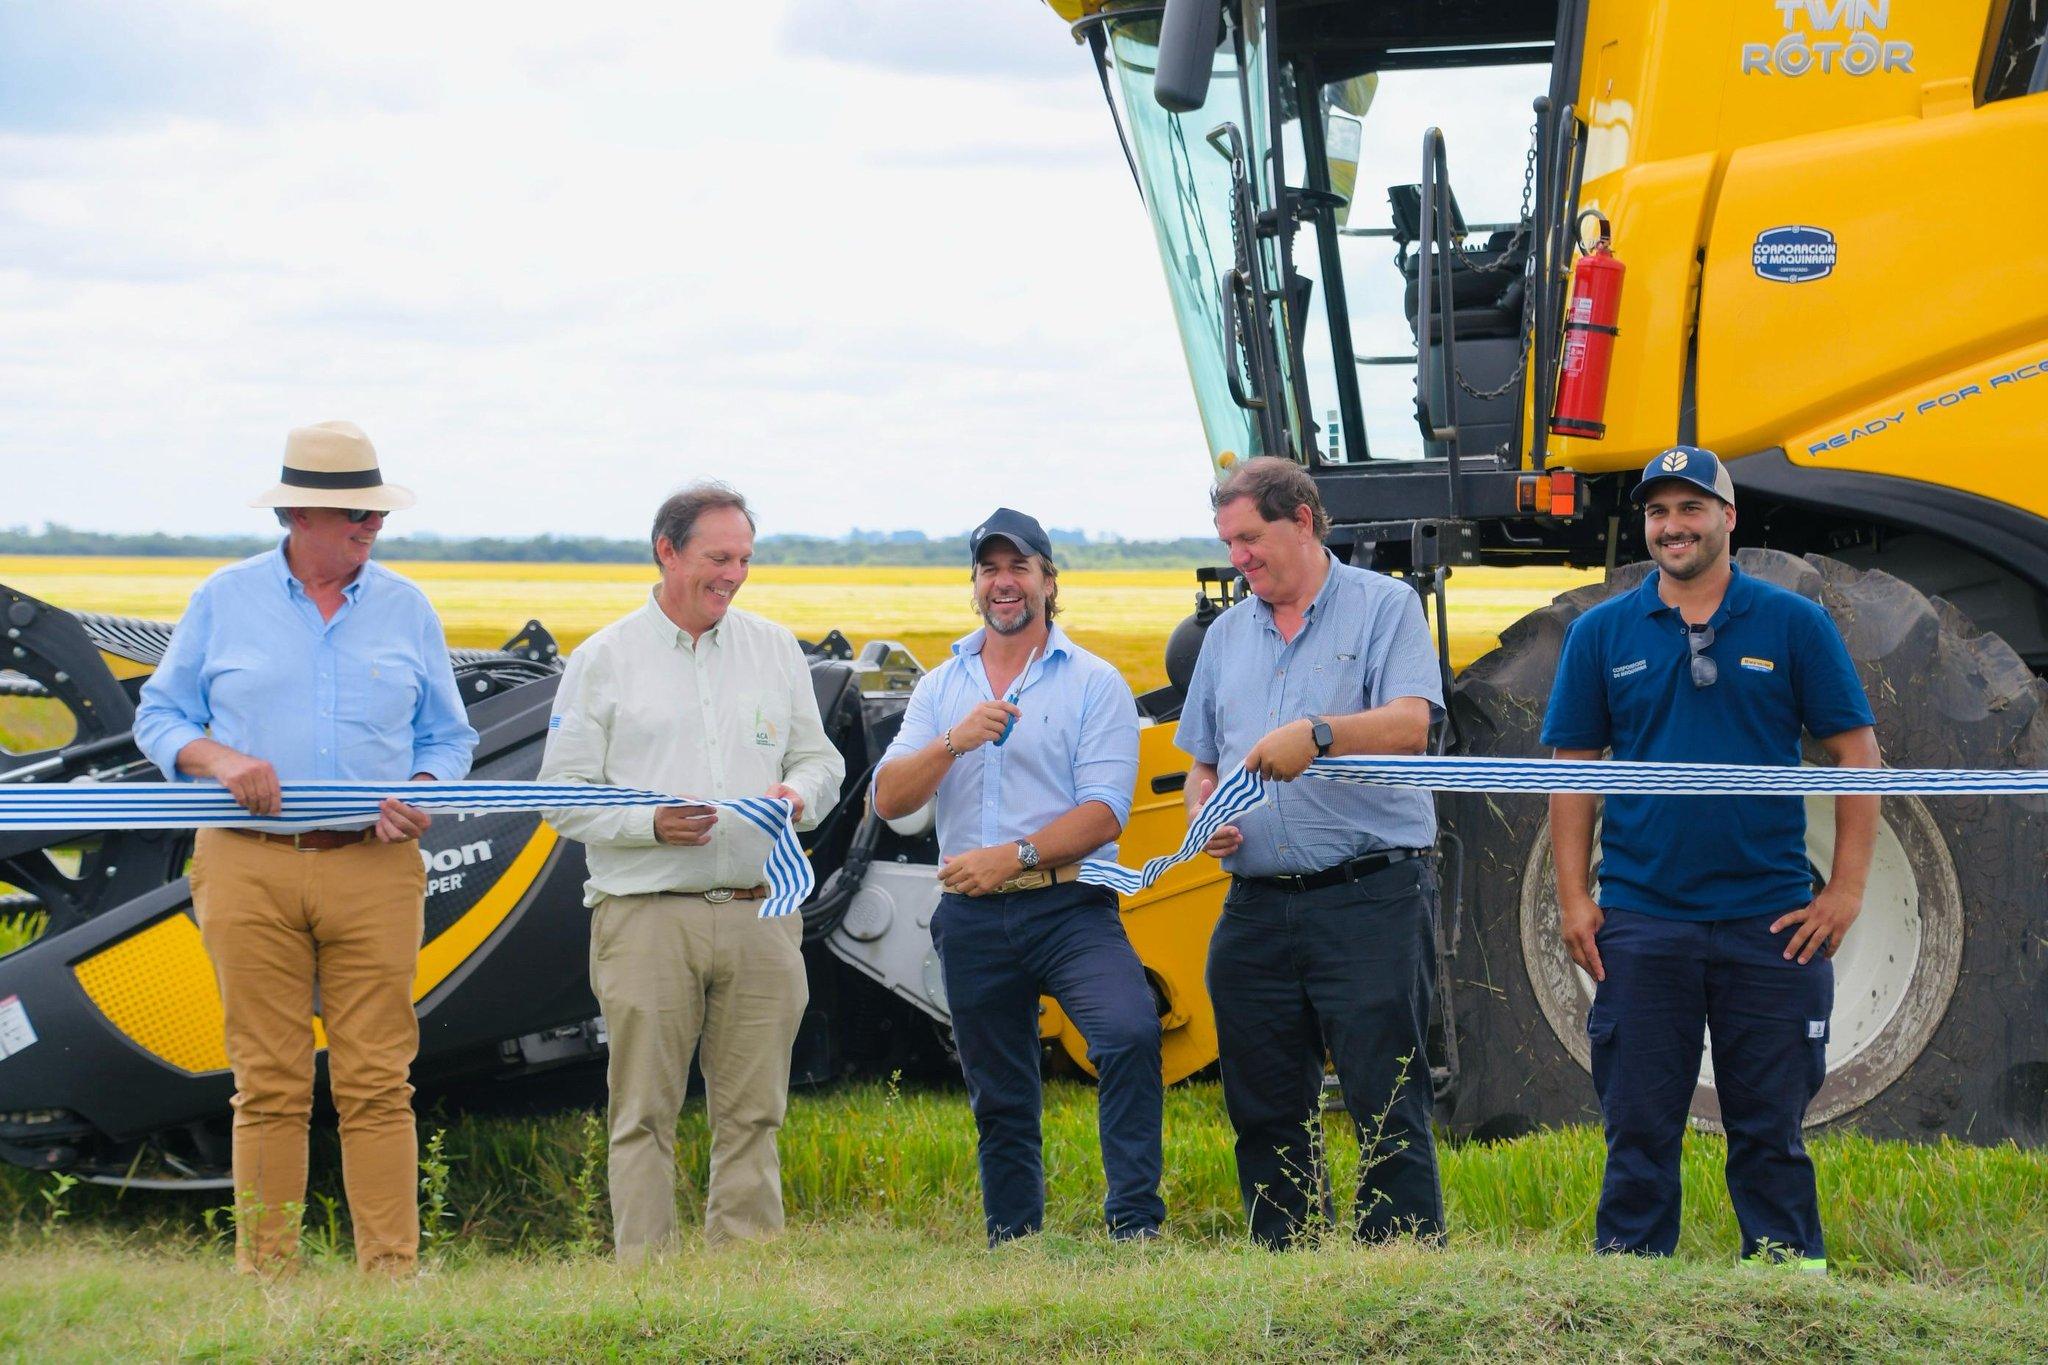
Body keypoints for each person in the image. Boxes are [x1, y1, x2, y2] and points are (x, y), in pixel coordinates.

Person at [133, 421, 478, 1275]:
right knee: (269, 1081)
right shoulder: (224, 597)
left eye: (375, 511)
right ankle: (269, 1276)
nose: (371, 526)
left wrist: (425, 793)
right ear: (297, 513)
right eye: (354, 512)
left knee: (377, 1080)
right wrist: (220, 759)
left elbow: (449, 736)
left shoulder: (406, 606)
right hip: (245, 863)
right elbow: (159, 716)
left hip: (376, 864)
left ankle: (390, 1275)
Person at [1542, 445, 1880, 1269]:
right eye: (1658, 512)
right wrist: (1575, 898)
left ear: (1728, 518)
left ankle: (1788, 1286)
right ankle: (1629, 1286)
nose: (1672, 525)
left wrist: (1844, 891)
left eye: (1691, 508)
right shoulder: (1601, 634)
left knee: (1770, 1129)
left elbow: (1858, 753)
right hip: (1644, 921)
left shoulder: (1794, 624)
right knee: (1638, 1127)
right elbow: (1568, 774)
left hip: (1770, 925)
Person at [538, 482, 844, 1263]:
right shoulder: (603, 660)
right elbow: (561, 798)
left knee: (755, 1111)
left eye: (744, 558)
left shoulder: (775, 648)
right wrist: (650, 825)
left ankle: (743, 1273)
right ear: (667, 551)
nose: (734, 574)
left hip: (761, 910)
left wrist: (797, 793)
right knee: (643, 1111)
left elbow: (820, 759)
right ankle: (648, 1279)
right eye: (718, 557)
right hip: (646, 913)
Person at [872, 508, 1163, 1244]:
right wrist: (953, 740)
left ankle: (1135, 1223)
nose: (1004, 582)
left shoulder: (1094, 682)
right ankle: (1014, 1239)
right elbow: (890, 797)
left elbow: (1104, 813)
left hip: (1070, 907)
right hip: (972, 917)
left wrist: (1019, 854)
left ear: (1048, 580)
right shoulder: (941, 687)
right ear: (974, 585)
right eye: (989, 569)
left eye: (1019, 567)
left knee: (1127, 1033)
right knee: (1000, 1092)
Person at [1176, 456, 1446, 1248]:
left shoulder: (1384, 607)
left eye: (1250, 537)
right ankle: (1285, 1258)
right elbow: (1201, 763)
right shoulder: (1225, 636)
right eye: (1228, 542)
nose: (1239, 557)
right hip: (1256, 906)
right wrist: (1203, 814)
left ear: (1302, 520)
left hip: (1369, 897)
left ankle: (1400, 1267)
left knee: (1384, 1095)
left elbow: (1412, 724)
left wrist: (1320, 735)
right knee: (1261, 1103)